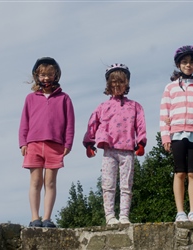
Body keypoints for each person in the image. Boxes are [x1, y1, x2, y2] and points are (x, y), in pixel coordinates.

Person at [83, 63, 147, 225]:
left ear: (126, 83)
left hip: (127, 150)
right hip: (109, 149)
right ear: (108, 84)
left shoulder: (134, 106)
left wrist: (141, 142)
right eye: (113, 82)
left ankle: (124, 215)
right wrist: (89, 143)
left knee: (126, 184)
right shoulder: (103, 107)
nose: (117, 85)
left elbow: (140, 125)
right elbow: (92, 124)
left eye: (120, 81)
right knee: (108, 184)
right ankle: (110, 216)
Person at [19, 57, 75, 228]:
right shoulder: (30, 98)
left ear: (56, 75)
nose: (46, 78)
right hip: (33, 144)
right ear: (37, 76)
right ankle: (35, 217)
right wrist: (23, 142)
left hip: (55, 145)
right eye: (42, 75)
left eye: (49, 74)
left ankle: (47, 218)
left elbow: (70, 123)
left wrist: (68, 144)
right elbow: (24, 122)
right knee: (35, 182)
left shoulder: (64, 98)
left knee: (50, 182)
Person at [160, 45, 193, 222]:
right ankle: (180, 211)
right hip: (177, 133)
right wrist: (166, 136)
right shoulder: (170, 87)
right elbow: (164, 112)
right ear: (179, 65)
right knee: (179, 173)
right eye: (184, 62)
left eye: (192, 62)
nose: (188, 65)